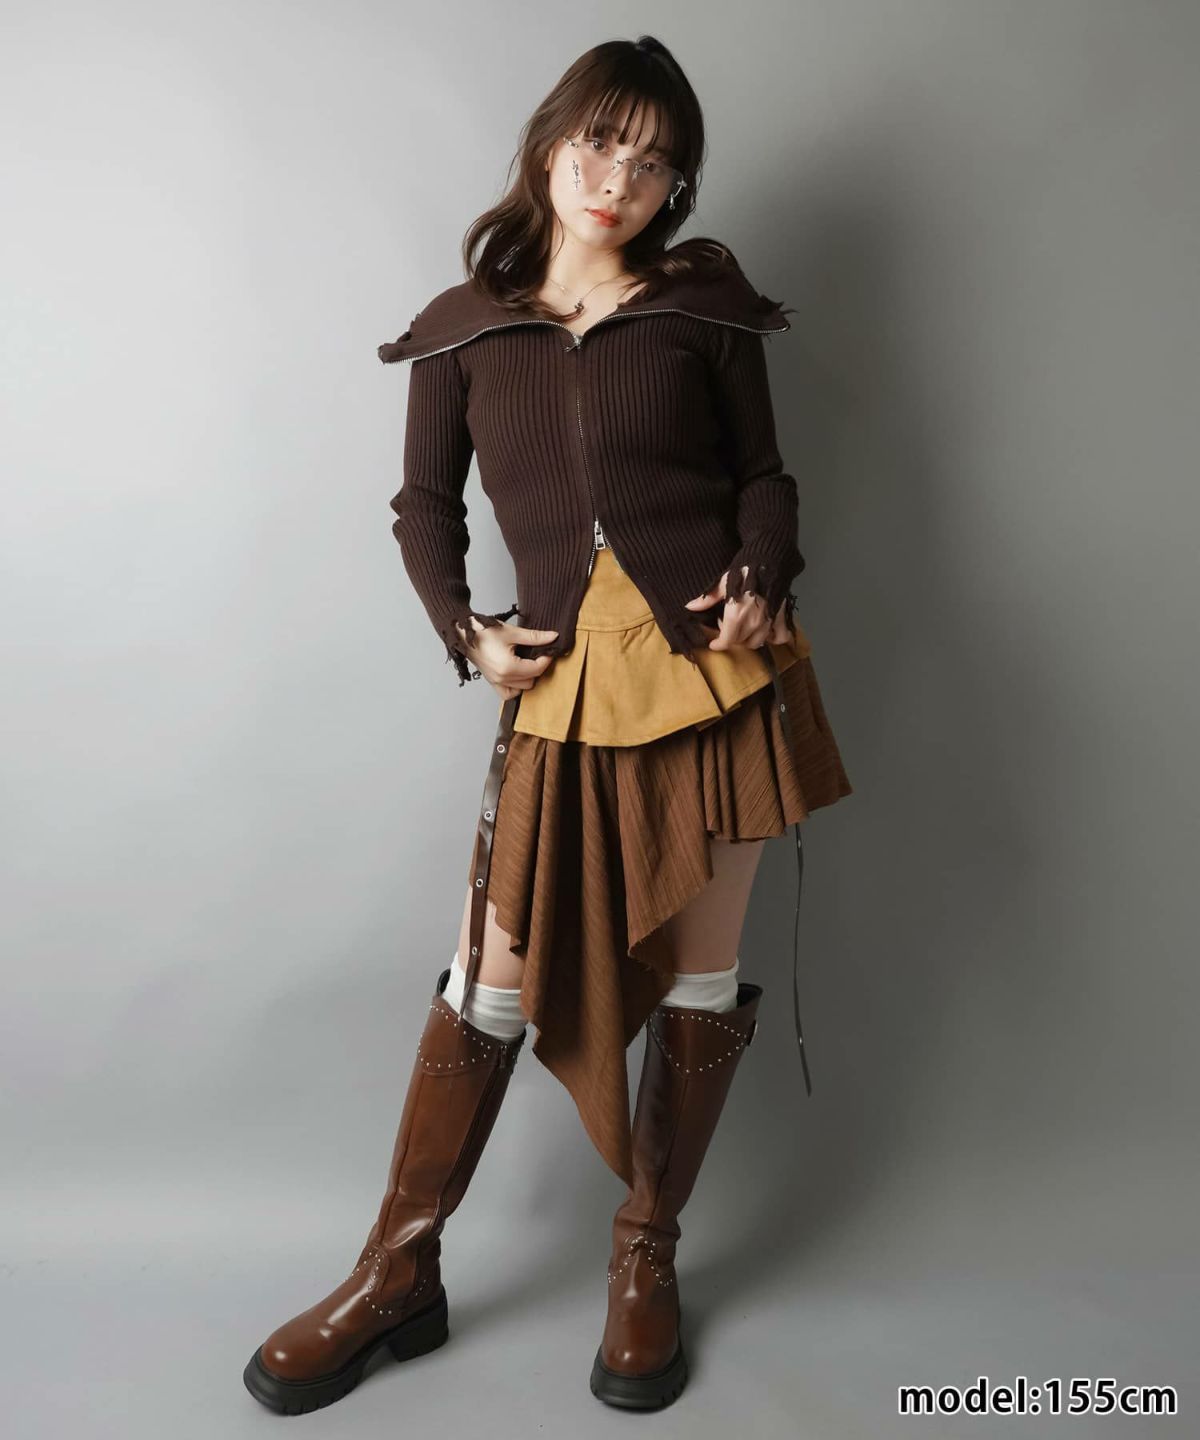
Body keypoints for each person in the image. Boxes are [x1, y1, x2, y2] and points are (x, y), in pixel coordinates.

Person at [243, 33, 852, 1417]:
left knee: (699, 972)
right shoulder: (466, 326)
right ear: (548, 142)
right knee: (493, 978)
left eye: (654, 161)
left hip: (713, 679)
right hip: (563, 690)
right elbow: (422, 505)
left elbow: (766, 478)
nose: (618, 179)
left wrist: (764, 573)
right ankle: (398, 1270)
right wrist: (464, 631)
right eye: (598, 143)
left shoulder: (703, 314)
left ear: (677, 186)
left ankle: (647, 1255)